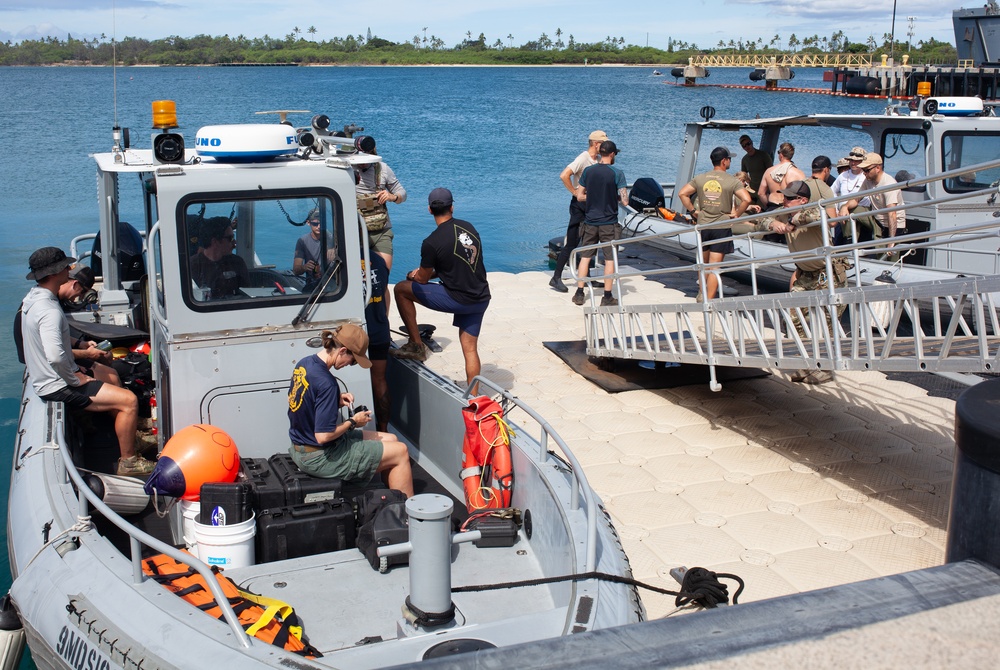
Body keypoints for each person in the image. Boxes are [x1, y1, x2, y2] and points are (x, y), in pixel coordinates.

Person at [20, 247, 154, 476]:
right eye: (65, 267)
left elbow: (54, 337)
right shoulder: (49, 310)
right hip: (58, 385)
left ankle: (131, 438)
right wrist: (75, 377)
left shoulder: (33, 299)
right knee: (129, 400)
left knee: (111, 382)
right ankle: (129, 461)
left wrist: (80, 345)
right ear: (53, 273)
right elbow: (54, 355)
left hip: (49, 379)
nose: (69, 270)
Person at [287, 324, 413, 497]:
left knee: (391, 439)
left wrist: (335, 402)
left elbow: (305, 402)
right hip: (319, 457)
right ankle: (407, 517)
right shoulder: (327, 383)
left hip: (301, 448)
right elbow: (322, 436)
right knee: (401, 452)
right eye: (353, 360)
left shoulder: (305, 363)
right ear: (342, 351)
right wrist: (353, 422)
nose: (351, 364)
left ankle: (390, 500)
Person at [392, 188, 491, 388]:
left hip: (458, 299)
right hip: (480, 297)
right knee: (470, 349)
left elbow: (422, 279)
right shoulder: (469, 227)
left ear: (429, 210)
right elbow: (461, 263)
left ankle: (416, 345)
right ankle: (474, 396)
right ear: (452, 207)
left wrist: (413, 274)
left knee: (401, 289)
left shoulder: (431, 242)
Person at [756, 181, 847, 385]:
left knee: (826, 322)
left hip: (827, 273)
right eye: (784, 197)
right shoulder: (784, 211)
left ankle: (826, 368)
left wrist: (794, 220)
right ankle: (807, 363)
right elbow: (761, 219)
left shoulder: (812, 210)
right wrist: (775, 225)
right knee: (796, 318)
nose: (784, 201)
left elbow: (825, 217)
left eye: (789, 198)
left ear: (802, 200)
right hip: (805, 274)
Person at [677, 147, 752, 301]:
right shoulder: (731, 180)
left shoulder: (701, 178)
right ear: (724, 161)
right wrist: (736, 214)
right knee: (714, 267)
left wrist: (692, 211)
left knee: (703, 263)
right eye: (729, 158)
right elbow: (747, 199)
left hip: (704, 225)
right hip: (721, 227)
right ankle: (708, 300)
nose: (730, 161)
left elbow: (682, 193)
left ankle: (701, 293)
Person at [572, 140, 628, 307]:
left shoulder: (588, 171)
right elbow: (625, 201)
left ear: (600, 152)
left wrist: (594, 196)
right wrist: (612, 197)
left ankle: (579, 293)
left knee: (585, 257)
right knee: (609, 259)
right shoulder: (617, 173)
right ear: (612, 154)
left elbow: (580, 196)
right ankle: (607, 296)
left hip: (590, 221)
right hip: (609, 223)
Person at [550, 130, 607, 293]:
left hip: (592, 205)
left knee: (590, 241)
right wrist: (575, 193)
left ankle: (586, 276)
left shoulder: (598, 160)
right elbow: (564, 175)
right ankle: (556, 277)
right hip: (579, 206)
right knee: (573, 241)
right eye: (603, 143)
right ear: (596, 144)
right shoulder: (583, 158)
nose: (605, 146)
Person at [354, 135, 406, 273]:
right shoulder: (346, 169)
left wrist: (392, 196)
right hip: (355, 233)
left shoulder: (382, 169)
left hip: (381, 232)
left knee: (382, 275)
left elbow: (402, 193)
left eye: (367, 156)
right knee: (359, 277)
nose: (363, 162)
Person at [842, 152, 905, 248]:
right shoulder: (868, 180)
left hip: (892, 225)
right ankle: (849, 243)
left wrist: (891, 240)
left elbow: (892, 214)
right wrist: (845, 207)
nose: (864, 173)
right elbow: (856, 199)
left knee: (887, 257)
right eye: (863, 170)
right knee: (851, 210)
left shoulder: (888, 184)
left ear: (878, 168)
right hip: (876, 219)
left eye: (867, 170)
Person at [363, 253, 391, 432]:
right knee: (380, 380)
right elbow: (385, 292)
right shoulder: (379, 260)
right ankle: (383, 428)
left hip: (357, 332)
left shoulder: (341, 258)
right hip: (379, 328)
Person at [189, 216, 249, 299]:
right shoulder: (192, 266)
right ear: (215, 242)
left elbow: (247, 294)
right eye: (230, 238)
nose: (234, 242)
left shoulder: (237, 263)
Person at [832, 146, 874, 243]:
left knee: (862, 243)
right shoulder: (843, 175)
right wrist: (836, 209)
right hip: (842, 215)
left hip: (861, 214)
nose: (853, 163)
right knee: (839, 243)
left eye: (857, 161)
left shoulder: (866, 177)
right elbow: (832, 191)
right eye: (851, 160)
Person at [292, 209, 337, 288]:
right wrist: (304, 267)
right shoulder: (302, 241)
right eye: (315, 224)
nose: (319, 226)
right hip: (312, 284)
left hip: (332, 282)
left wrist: (333, 249)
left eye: (321, 223)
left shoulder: (332, 238)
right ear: (308, 223)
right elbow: (296, 270)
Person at [757, 142, 805, 211]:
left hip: (772, 207)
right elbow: (804, 194)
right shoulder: (799, 173)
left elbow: (761, 193)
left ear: (781, 155)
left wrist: (767, 205)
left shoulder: (769, 171)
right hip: (789, 209)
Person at [738, 134, 772, 200]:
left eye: (748, 144)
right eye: (744, 146)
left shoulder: (763, 155)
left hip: (765, 189)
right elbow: (743, 175)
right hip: (752, 189)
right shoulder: (744, 159)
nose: (747, 147)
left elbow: (771, 171)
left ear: (752, 142)